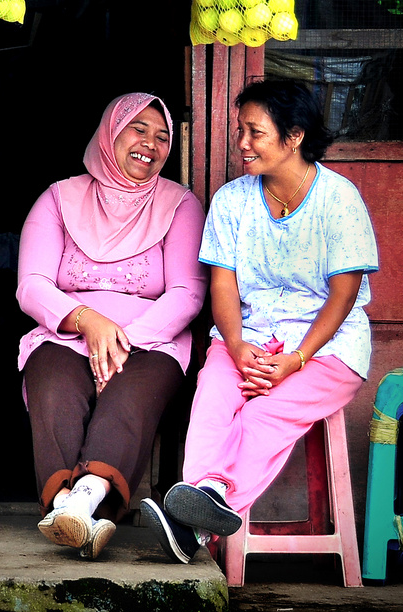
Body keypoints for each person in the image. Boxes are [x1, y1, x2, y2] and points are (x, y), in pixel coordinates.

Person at [141, 79, 379, 563]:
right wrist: (234, 344)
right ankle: (204, 500)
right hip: (247, 337)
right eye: (239, 130)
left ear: (294, 136)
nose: (242, 144)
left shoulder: (339, 199)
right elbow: (223, 285)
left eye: (255, 132)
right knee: (212, 396)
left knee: (262, 414)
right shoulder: (233, 201)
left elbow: (344, 294)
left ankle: (198, 517)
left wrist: (296, 359)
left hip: (325, 349)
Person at [15, 92, 206, 560]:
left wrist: (125, 341)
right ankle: (71, 507)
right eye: (137, 130)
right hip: (68, 331)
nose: (150, 144)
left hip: (151, 339)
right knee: (53, 388)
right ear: (110, 134)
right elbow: (31, 284)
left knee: (129, 398)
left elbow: (189, 292)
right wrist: (88, 322)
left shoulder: (180, 205)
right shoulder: (59, 198)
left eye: (162, 137)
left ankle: (82, 500)